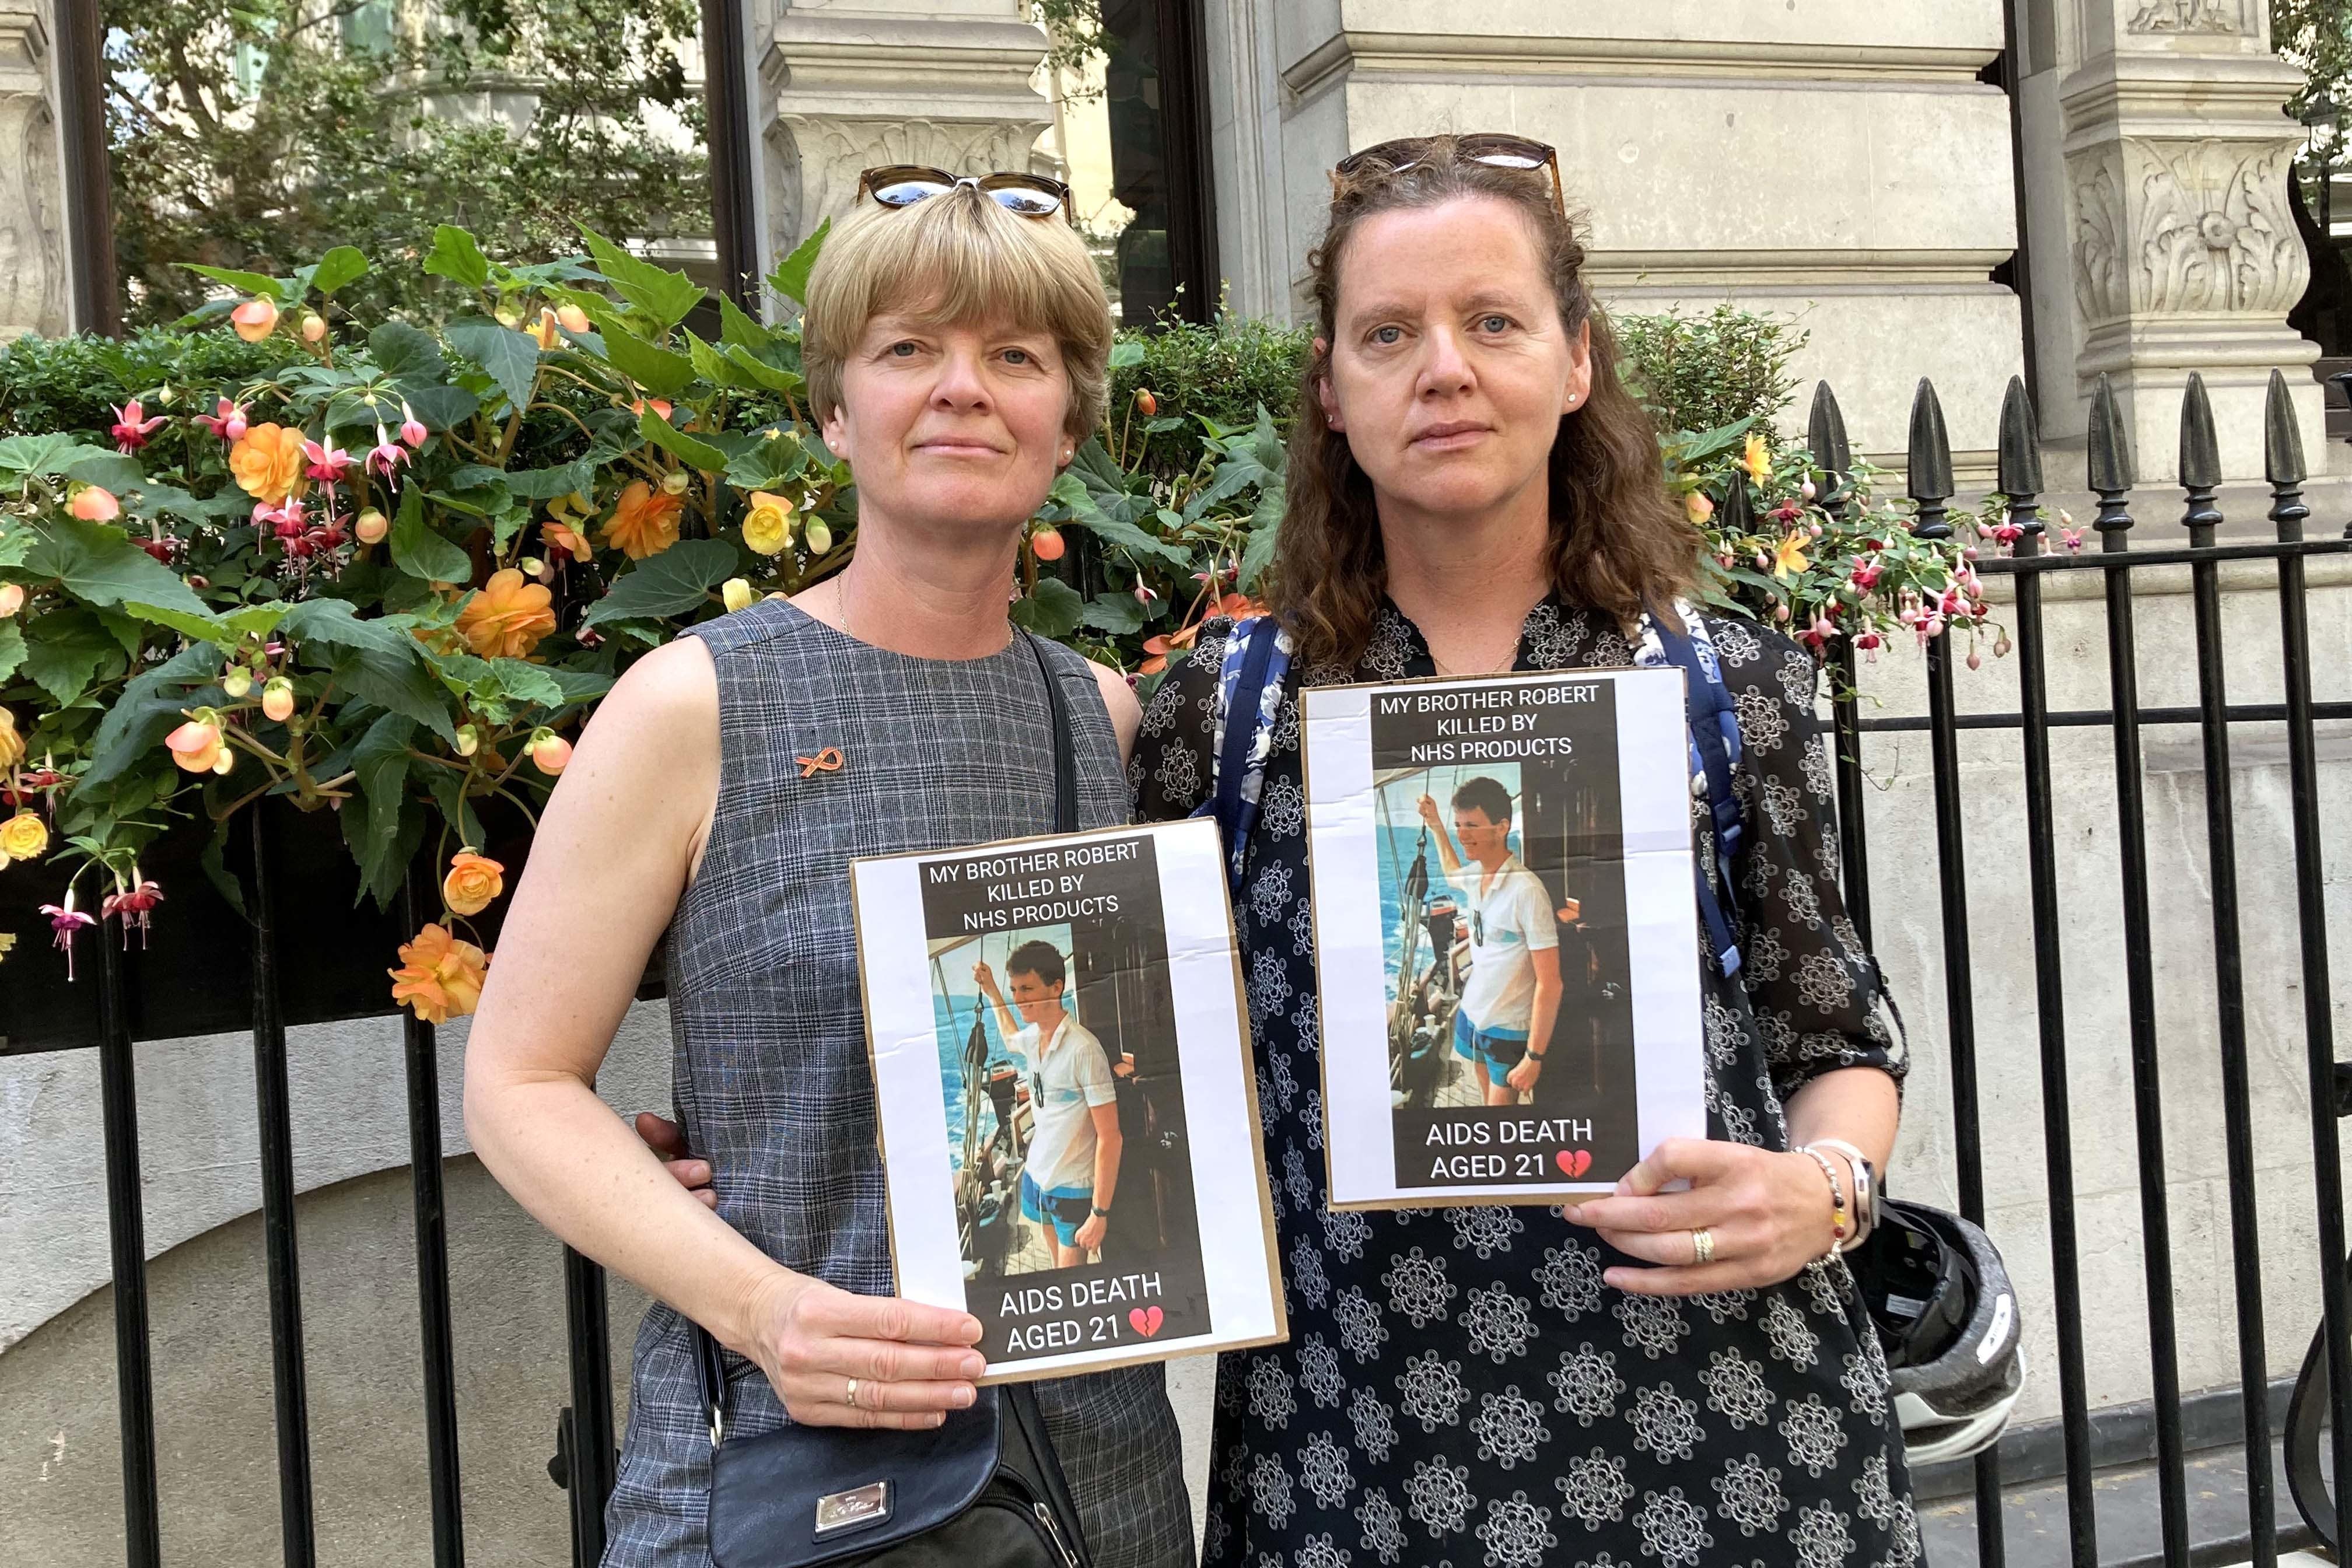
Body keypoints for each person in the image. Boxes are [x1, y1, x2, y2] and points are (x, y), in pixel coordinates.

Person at [1131, 134, 1919, 1566]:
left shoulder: (1726, 686)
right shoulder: (1223, 718)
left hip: (1730, 1446)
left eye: (1493, 321)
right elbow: (1149, 1081)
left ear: (1574, 362)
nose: (1443, 368)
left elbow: (1835, 1033)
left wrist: (1823, 1193)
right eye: (1389, 333)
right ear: (1330, 390)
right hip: (1360, 1464)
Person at [464, 170, 1191, 1567]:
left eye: (1016, 357)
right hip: (791, 1476)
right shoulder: (697, 707)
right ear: (833, 409)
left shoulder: (1095, 715)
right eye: (908, 348)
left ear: (1066, 422)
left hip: (1091, 1473)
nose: (963, 389)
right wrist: (760, 1310)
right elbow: (517, 1082)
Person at [974, 942, 1123, 1266]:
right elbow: (1010, 1033)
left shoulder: (1084, 1049)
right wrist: (992, 993)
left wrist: (1099, 1212)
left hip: (1072, 1188)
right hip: (1036, 1176)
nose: (1019, 998)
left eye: (1027, 988)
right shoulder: (1033, 1038)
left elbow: (1110, 1136)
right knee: (1055, 1269)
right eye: (1015, 989)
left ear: (1056, 987)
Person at [1415, 776, 1562, 1104]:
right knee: (1485, 1106)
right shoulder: (1478, 875)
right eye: (1459, 825)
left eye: (1473, 826)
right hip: (1474, 1011)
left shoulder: (1527, 891)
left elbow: (1550, 983)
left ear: (1501, 827)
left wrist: (1534, 1057)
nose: (1463, 834)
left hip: (1507, 1027)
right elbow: (1453, 873)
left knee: (1498, 1124)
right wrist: (1437, 826)